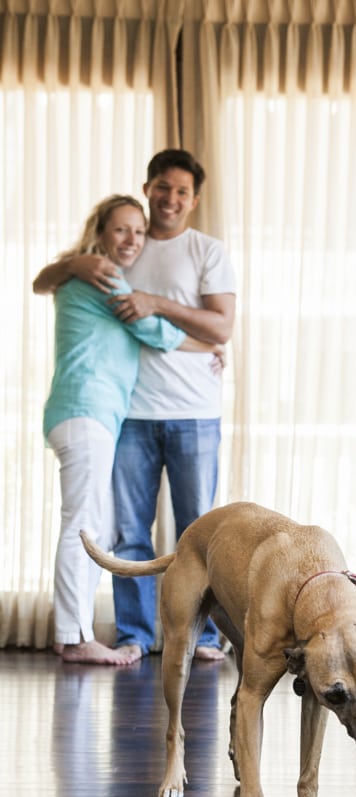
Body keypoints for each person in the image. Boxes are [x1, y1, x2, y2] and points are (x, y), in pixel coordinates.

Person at [34, 150, 237, 663]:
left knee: (199, 531)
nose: (171, 199)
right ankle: (132, 635)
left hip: (193, 413)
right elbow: (46, 281)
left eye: (183, 192)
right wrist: (72, 263)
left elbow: (222, 327)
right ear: (148, 188)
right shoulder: (113, 259)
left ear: (194, 200)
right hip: (125, 416)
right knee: (125, 534)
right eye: (163, 188)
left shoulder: (204, 250)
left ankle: (205, 637)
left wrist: (161, 306)